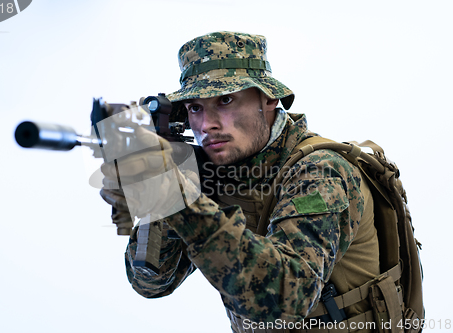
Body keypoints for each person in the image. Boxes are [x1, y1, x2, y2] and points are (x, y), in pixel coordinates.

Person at [100, 31, 380, 332]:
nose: (207, 125)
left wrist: (178, 199)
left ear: (269, 98)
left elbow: (281, 305)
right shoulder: (217, 169)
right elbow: (151, 282)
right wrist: (160, 199)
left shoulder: (321, 174)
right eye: (195, 107)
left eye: (225, 100)